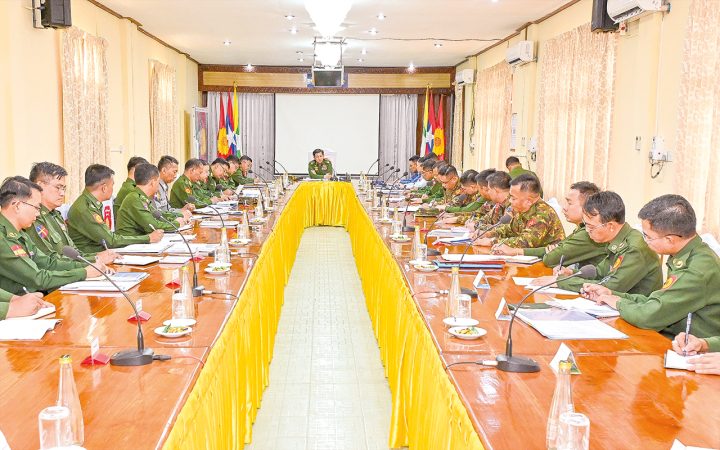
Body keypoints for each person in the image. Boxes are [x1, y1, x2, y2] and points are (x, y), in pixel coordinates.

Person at [582, 195, 719, 339]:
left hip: (688, 347)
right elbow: (658, 301)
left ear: (669, 239)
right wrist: (611, 294)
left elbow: (649, 316)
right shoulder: (689, 254)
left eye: (648, 236)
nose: (645, 241)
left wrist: (618, 303)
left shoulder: (695, 270)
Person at [0, 176, 108, 294]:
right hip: (20, 302)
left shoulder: (20, 233)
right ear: (17, 206)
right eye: (36, 207)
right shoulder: (4, 238)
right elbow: (38, 279)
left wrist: (89, 265)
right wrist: (84, 273)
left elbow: (48, 263)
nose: (38, 213)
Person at [552, 191, 663, 295]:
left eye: (591, 227)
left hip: (631, 307)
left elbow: (608, 287)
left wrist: (560, 282)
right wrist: (571, 272)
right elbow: (600, 272)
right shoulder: (617, 240)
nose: (587, 230)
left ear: (610, 226)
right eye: (586, 225)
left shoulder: (634, 249)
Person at [495, 181, 606, 269]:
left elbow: (551, 258)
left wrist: (514, 250)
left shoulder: (588, 233)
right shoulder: (580, 229)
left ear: (587, 206)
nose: (564, 208)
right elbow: (555, 249)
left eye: (569, 203)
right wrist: (515, 251)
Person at [28, 162, 117, 265]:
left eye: (64, 188)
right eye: (58, 187)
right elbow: (50, 262)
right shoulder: (34, 218)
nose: (62, 193)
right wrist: (94, 261)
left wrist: (97, 256)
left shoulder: (55, 215)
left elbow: (75, 254)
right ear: (40, 186)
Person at [67, 164, 163, 253]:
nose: (112, 189)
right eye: (112, 185)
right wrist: (148, 238)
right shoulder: (85, 209)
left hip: (102, 253)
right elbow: (111, 241)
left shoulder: (89, 203)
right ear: (104, 188)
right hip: (92, 258)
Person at [474, 173, 564, 250]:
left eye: (513, 198)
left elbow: (525, 242)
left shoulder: (543, 214)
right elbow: (509, 229)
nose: (510, 201)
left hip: (549, 262)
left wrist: (492, 241)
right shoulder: (521, 209)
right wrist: (488, 234)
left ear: (528, 201)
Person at [116, 163, 190, 235]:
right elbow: (153, 226)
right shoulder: (135, 199)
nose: (158, 186)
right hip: (133, 242)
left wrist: (179, 215)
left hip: (141, 239)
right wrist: (177, 223)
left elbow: (158, 215)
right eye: (158, 182)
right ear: (153, 182)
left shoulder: (141, 197)